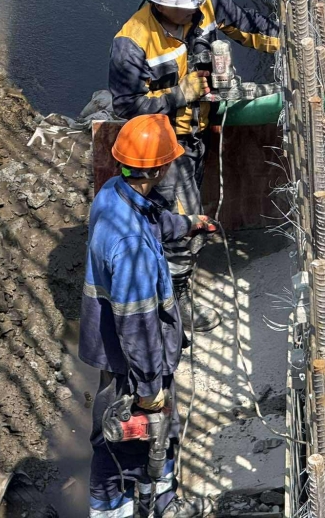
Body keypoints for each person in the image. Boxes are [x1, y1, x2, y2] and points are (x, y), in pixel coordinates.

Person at [108, 0, 281, 333]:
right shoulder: (132, 42)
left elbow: (251, 27)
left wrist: (293, 43)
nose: (194, 10)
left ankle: (171, 280)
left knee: (185, 216)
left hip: (200, 131)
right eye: (185, 8)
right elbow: (127, 107)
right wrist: (180, 94)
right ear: (159, 5)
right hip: (166, 146)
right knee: (183, 222)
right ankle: (175, 298)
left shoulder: (204, 2)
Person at [79, 114, 214, 518]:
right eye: (168, 161)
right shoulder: (131, 245)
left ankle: (161, 501)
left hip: (114, 348)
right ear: (156, 169)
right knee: (125, 441)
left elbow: (152, 220)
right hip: (132, 359)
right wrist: (150, 385)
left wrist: (188, 225)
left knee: (154, 434)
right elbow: (137, 326)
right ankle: (116, 511)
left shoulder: (113, 193)